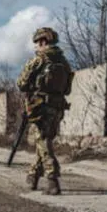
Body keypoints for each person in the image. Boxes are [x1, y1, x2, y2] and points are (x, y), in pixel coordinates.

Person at [16, 27, 73, 195]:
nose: (37, 47)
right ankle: (33, 175)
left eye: (37, 43)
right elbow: (67, 89)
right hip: (58, 107)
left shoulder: (38, 60)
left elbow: (21, 84)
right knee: (44, 142)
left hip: (40, 107)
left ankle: (52, 179)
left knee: (43, 142)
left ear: (42, 42)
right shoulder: (64, 62)